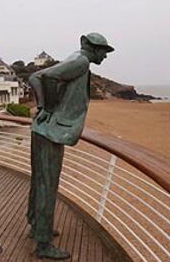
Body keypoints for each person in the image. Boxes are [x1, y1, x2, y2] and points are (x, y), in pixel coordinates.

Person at [27, 32, 114, 260]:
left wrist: (44, 106)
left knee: (39, 182)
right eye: (104, 51)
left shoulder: (74, 58)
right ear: (94, 49)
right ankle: (43, 245)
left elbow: (35, 77)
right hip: (51, 133)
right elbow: (46, 78)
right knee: (47, 185)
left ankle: (37, 226)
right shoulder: (81, 61)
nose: (105, 56)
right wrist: (49, 108)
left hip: (43, 131)